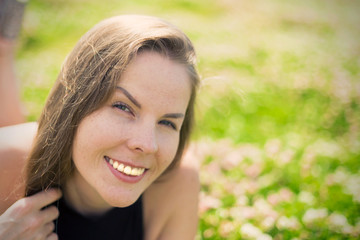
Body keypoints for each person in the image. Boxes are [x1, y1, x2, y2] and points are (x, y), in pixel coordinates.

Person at [0, 14, 200, 239]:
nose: (146, 144)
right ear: (74, 100)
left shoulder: (176, 182)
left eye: (167, 123)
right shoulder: (5, 162)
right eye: (123, 107)